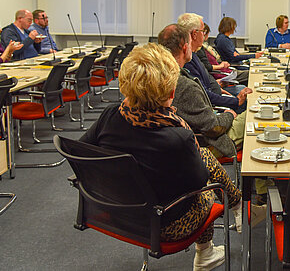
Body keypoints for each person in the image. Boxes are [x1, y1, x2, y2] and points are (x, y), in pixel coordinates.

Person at [79, 43, 260, 270]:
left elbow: (82, 152)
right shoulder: (177, 137)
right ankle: (209, 248)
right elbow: (198, 183)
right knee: (207, 178)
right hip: (165, 224)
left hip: (116, 212)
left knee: (201, 157)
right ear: (171, 92)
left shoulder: (110, 116)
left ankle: (234, 209)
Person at [158, 23, 246, 158]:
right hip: (204, 145)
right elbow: (213, 128)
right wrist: (230, 114)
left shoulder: (158, 76)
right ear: (185, 47)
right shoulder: (184, 85)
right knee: (251, 115)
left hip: (179, 145)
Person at [179, 13, 252, 113]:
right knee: (248, 104)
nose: (204, 35)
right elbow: (204, 94)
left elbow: (206, 82)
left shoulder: (193, 55)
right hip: (211, 107)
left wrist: (218, 87)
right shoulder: (187, 60)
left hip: (216, 94)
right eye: (202, 31)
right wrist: (235, 101)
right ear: (195, 34)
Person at [197, 23, 249, 94]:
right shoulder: (200, 49)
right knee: (249, 77)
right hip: (222, 74)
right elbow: (208, 67)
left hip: (224, 70)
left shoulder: (206, 47)